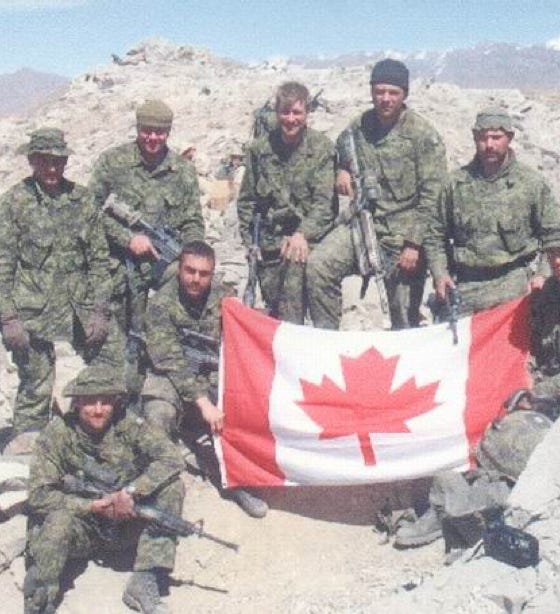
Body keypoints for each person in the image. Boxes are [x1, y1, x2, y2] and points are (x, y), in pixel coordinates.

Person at [0, 128, 123, 454]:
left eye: (58, 161)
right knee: (36, 386)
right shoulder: (14, 203)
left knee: (112, 369)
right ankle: (27, 457)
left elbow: (99, 261)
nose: (52, 169)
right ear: (32, 161)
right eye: (44, 161)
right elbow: (2, 265)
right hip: (32, 311)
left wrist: (100, 311)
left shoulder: (82, 200)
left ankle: (102, 441)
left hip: (79, 309)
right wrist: (8, 318)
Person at [24, 365, 185, 614]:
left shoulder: (129, 425)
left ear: (116, 402)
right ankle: (40, 601)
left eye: (106, 401)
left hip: (125, 522)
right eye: (90, 401)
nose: (98, 409)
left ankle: (145, 580)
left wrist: (130, 492)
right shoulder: (57, 435)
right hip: (82, 530)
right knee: (57, 522)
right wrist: (90, 506)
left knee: (173, 487)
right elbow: (38, 496)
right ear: (77, 402)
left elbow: (172, 459)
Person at [307, 58, 447, 330]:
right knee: (318, 266)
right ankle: (328, 340)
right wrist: (342, 170)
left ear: (404, 94)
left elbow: (434, 197)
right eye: (379, 91)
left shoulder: (423, 136)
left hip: (403, 235)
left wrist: (414, 244)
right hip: (362, 224)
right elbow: (341, 148)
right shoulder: (360, 125)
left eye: (393, 92)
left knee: (402, 312)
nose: (385, 99)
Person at [142, 241, 268, 518]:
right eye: (190, 271)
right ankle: (161, 485)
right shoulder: (161, 304)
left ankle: (236, 479)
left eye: (203, 273)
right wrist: (203, 403)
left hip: (210, 371)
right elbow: (170, 362)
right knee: (158, 413)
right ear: (179, 269)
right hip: (170, 375)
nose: (196, 279)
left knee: (244, 406)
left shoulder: (222, 296)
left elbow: (244, 332)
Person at [88, 99, 205, 393]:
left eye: (160, 132)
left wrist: (191, 255)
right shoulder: (113, 162)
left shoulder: (182, 171)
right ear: (138, 128)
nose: (153, 138)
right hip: (119, 265)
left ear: (168, 132)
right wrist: (127, 239)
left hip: (163, 266)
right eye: (147, 131)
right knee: (115, 343)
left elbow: (193, 220)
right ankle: (113, 396)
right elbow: (89, 213)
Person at [423, 107, 560, 315]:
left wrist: (542, 274)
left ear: (509, 138)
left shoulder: (531, 183)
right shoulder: (455, 184)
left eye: (496, 137)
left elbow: (554, 235)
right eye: (482, 138)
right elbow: (434, 235)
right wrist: (440, 274)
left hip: (514, 285)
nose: (489, 145)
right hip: (466, 285)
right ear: (474, 138)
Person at [237, 81, 336, 323]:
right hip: (270, 243)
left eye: (297, 112)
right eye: (285, 112)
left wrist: (302, 234)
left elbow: (324, 205)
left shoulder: (321, 149)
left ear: (307, 113)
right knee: (276, 313)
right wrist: (251, 245)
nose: (291, 119)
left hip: (309, 240)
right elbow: (247, 202)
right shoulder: (259, 150)